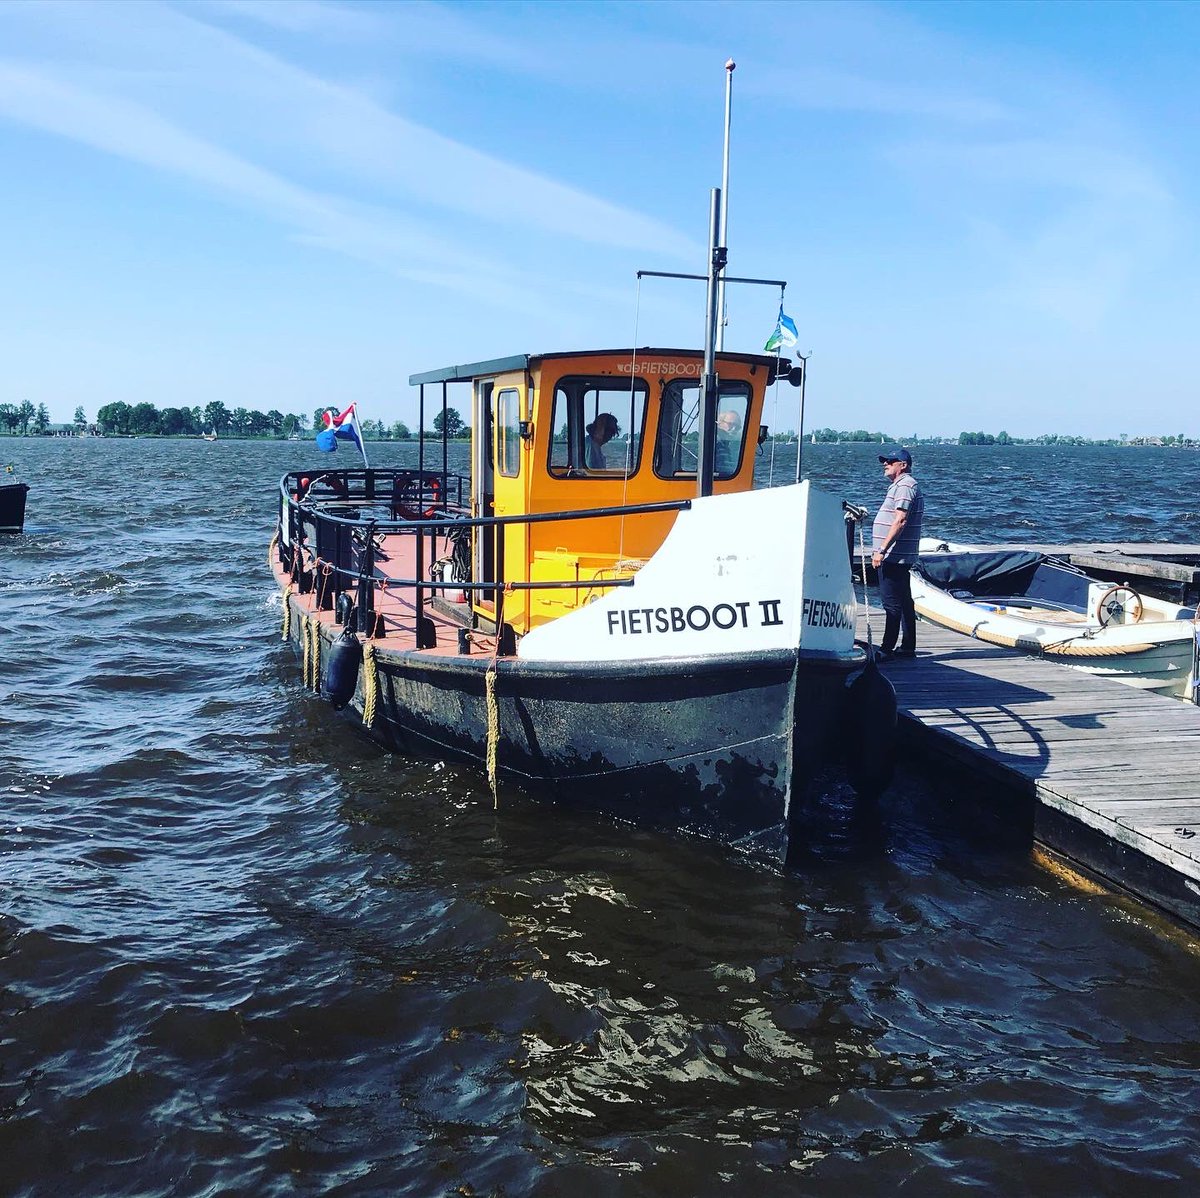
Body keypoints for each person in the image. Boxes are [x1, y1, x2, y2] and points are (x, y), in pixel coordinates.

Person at [871, 445, 924, 658]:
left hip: (894, 555)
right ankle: (908, 646)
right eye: (885, 461)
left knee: (891, 603)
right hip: (897, 554)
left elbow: (900, 520)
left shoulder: (905, 485)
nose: (885, 464)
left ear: (903, 465)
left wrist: (881, 550)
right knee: (903, 601)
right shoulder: (902, 485)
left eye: (890, 461)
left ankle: (886, 649)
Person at [715, 409, 742, 474]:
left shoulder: (725, 445)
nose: (734, 429)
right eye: (730, 424)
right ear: (720, 423)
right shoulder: (714, 444)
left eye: (737, 427)